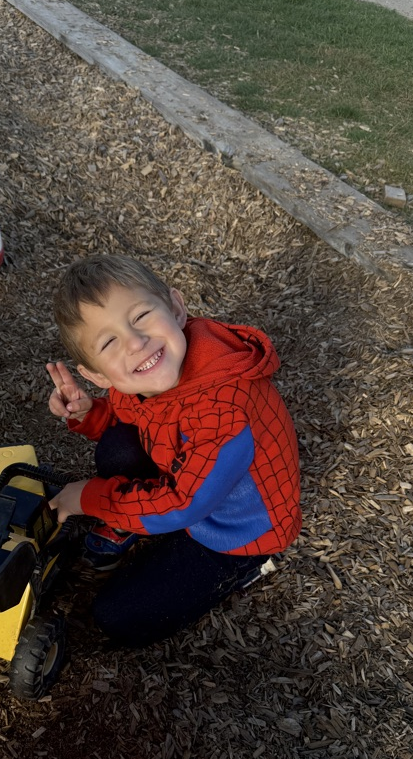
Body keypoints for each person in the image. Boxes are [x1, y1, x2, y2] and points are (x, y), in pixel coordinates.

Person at [46, 254, 301, 648]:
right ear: (95, 375)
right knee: (117, 448)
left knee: (118, 617)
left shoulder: (224, 411)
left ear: (177, 308)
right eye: (109, 341)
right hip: (192, 481)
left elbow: (182, 505)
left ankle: (248, 569)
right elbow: (129, 413)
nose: (135, 341)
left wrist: (89, 498)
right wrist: (88, 413)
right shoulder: (152, 373)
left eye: (141, 316)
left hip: (237, 531)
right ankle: (129, 522)